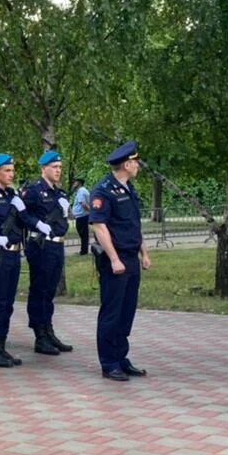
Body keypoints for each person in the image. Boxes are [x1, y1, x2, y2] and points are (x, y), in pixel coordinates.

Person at [0, 153, 46, 368]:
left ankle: (1, 347)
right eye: (7, 170)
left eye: (12, 170)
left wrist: (38, 224)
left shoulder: (11, 195)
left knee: (7, 303)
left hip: (13, 254)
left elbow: (24, 219)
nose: (11, 174)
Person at [89, 142, 151, 381]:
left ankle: (121, 357)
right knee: (112, 312)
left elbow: (134, 225)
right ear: (126, 164)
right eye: (135, 162)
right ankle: (109, 362)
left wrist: (144, 253)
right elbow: (100, 227)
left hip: (131, 258)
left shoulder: (129, 189)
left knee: (127, 311)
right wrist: (114, 259)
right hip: (115, 261)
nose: (137, 166)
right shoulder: (103, 191)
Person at [22, 151, 73, 355]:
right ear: (43, 168)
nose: (58, 171)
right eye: (54, 167)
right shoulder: (34, 191)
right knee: (40, 289)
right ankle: (39, 335)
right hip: (41, 245)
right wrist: (37, 224)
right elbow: (21, 214)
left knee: (50, 291)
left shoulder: (58, 193)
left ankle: (48, 329)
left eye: (60, 167)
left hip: (56, 246)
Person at [71, 177, 91, 255]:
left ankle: (84, 251)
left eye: (75, 182)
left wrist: (90, 211)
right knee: (83, 233)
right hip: (81, 216)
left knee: (83, 233)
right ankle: (83, 250)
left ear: (79, 183)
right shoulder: (81, 191)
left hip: (82, 216)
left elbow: (83, 204)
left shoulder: (81, 191)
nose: (73, 184)